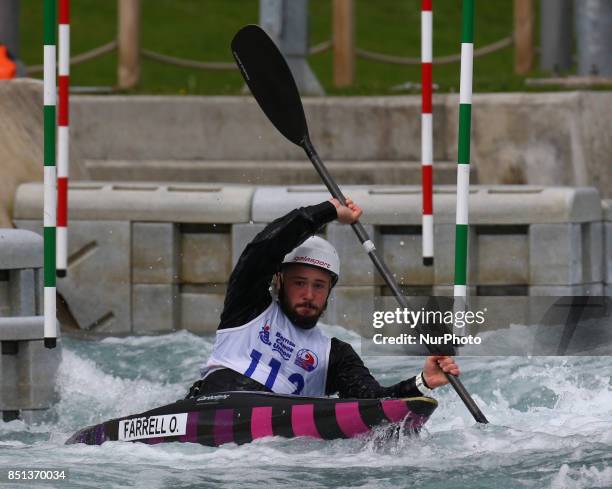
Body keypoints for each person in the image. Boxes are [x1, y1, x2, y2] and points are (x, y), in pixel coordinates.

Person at [186, 198, 459, 399]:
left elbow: (374, 404)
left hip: (271, 445)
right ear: (279, 280)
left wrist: (423, 382)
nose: (308, 294)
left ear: (330, 291)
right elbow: (263, 249)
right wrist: (327, 211)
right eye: (299, 283)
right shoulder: (247, 306)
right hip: (215, 401)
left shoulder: (335, 355)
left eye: (319, 286)